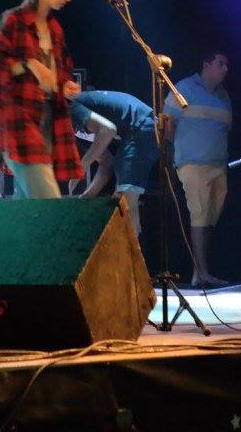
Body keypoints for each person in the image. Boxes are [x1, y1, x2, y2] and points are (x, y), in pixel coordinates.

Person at [0, 0, 82, 199]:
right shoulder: (13, 20)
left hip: (47, 122)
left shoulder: (55, 29)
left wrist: (65, 86)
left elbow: (59, 74)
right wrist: (29, 65)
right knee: (48, 204)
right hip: (19, 123)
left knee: (28, 208)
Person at [163, 49, 232, 287]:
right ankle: (200, 273)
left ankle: (202, 271)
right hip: (193, 165)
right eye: (221, 63)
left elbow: (224, 130)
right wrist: (183, 152)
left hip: (218, 166)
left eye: (226, 65)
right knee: (200, 216)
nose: (225, 69)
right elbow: (167, 126)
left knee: (209, 219)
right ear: (206, 65)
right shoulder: (184, 88)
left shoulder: (224, 96)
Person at [69, 89, 158, 236]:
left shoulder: (72, 109)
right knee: (119, 200)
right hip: (134, 130)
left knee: (125, 200)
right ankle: (127, 242)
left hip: (141, 124)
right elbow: (106, 162)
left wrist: (82, 166)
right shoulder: (79, 131)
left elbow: (108, 130)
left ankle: (131, 246)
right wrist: (86, 197)